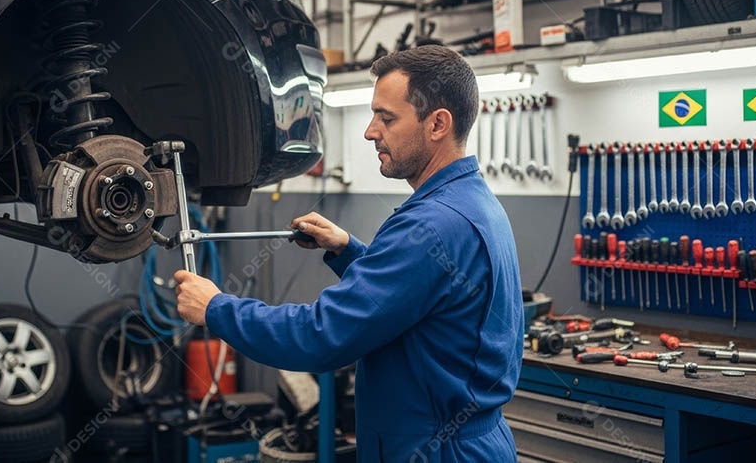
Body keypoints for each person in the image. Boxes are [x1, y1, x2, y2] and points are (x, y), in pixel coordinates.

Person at [174, 44, 523, 462]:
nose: (370, 131)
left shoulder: (430, 226)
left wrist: (215, 308)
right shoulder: (473, 203)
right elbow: (416, 299)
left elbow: (320, 337)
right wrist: (348, 251)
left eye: (386, 117)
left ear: (438, 124)